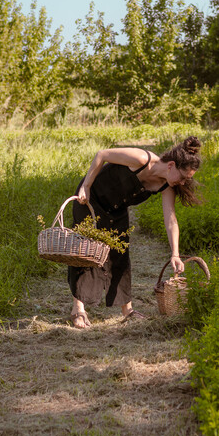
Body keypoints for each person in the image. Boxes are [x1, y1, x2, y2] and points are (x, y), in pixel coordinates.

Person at [68, 136, 202, 328]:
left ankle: (127, 310)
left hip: (117, 210)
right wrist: (86, 186)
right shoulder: (141, 159)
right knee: (85, 252)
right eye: (182, 177)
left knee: (120, 255)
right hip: (90, 200)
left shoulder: (166, 185)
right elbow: (102, 155)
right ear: (171, 165)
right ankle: (78, 310)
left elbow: (171, 220)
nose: (182, 183)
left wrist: (175, 254)